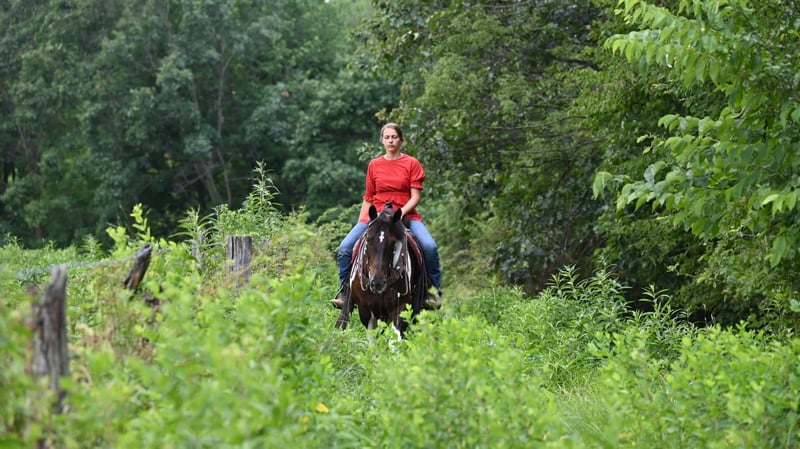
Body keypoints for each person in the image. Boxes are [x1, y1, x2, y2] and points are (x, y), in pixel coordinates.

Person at [331, 122, 442, 309]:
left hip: (404, 214)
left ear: (401, 140)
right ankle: (346, 293)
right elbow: (368, 198)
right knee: (345, 248)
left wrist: (399, 213)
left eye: (394, 137)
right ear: (382, 140)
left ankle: (432, 292)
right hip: (376, 216)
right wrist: (362, 222)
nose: (391, 141)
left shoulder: (412, 163)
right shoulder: (374, 165)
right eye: (387, 137)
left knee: (430, 247)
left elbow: (415, 197)